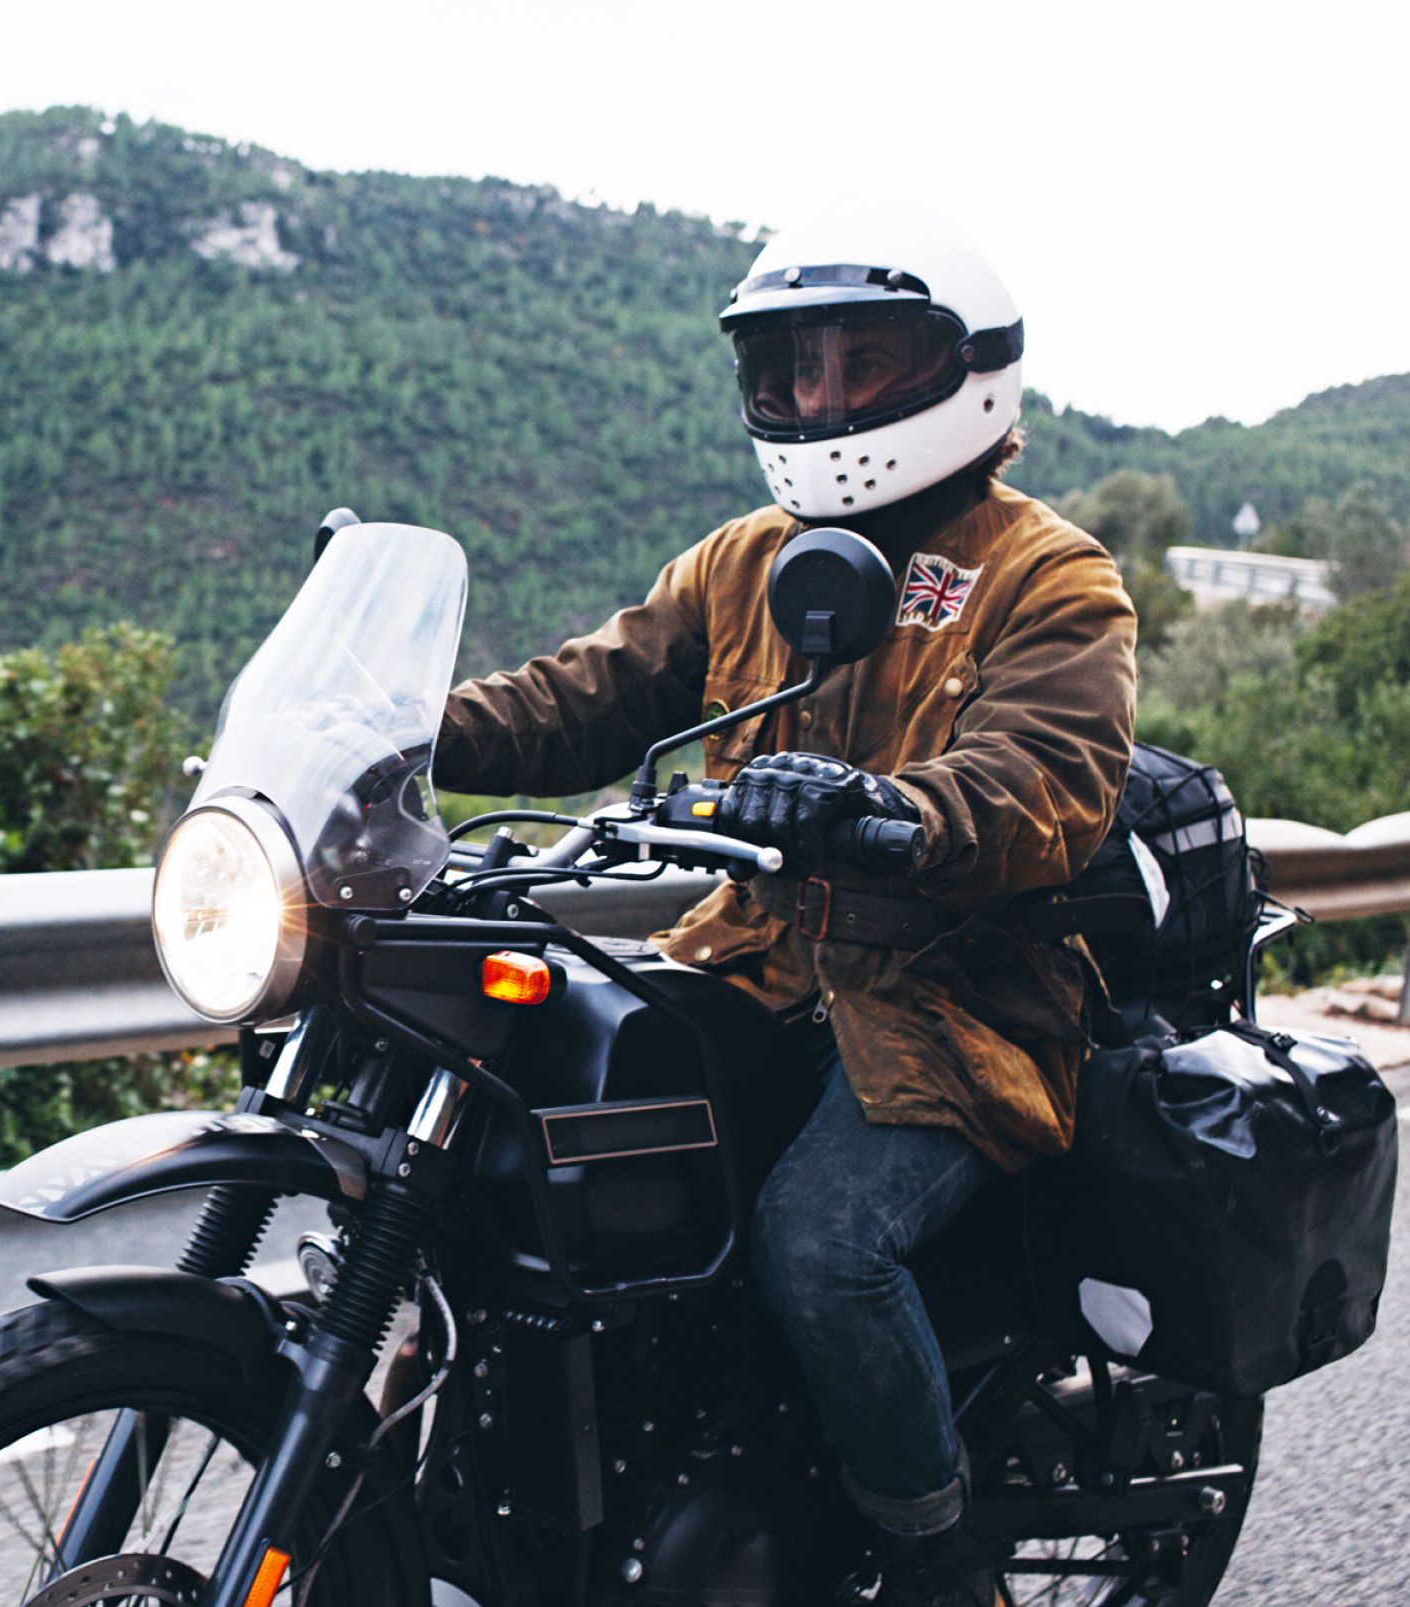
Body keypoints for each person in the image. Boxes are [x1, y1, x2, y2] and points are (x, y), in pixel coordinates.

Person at [434, 215, 1138, 1606]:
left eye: (861, 367)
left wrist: (893, 810)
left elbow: (1040, 778)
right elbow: (586, 695)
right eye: (792, 374)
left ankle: (933, 1563)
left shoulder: (1046, 573)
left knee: (822, 1243)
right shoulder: (744, 558)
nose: (821, 405)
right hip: (750, 963)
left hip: (951, 1001)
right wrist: (397, 728)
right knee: (537, 1148)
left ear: (960, 375)